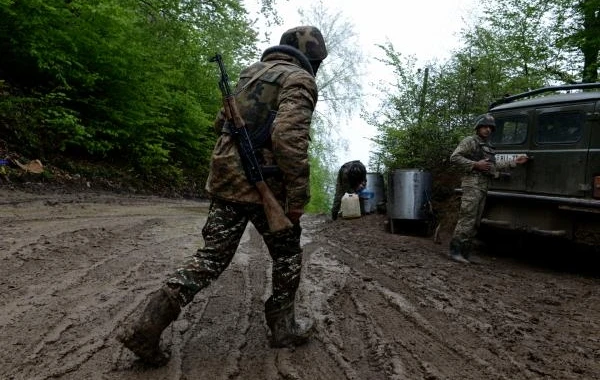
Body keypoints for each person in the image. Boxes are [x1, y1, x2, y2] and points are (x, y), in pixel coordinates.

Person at [117, 26, 328, 366]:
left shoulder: (248, 75)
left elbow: (220, 124)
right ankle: (283, 326)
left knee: (211, 258)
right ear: (314, 60)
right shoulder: (300, 80)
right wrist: (298, 196)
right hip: (266, 185)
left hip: (226, 180)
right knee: (287, 253)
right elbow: (289, 138)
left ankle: (147, 326)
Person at [449, 113, 528, 263]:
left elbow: (493, 166)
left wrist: (514, 162)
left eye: (490, 128)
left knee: (476, 221)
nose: (488, 130)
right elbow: (454, 157)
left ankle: (466, 252)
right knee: (467, 219)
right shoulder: (470, 141)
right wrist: (475, 164)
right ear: (478, 127)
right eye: (485, 127)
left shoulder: (488, 147)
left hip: (483, 186)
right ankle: (455, 251)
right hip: (471, 184)